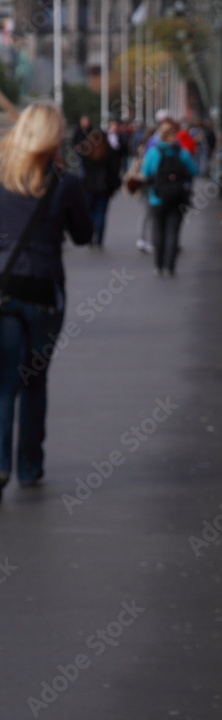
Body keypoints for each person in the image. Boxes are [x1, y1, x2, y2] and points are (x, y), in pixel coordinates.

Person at [0, 101, 92, 495]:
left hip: (2, 288)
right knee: (34, 381)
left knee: (3, 382)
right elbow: (84, 234)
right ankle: (29, 465)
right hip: (44, 292)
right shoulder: (64, 181)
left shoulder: (2, 175)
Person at [141, 119, 197, 277]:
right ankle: (170, 266)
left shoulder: (153, 152)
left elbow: (146, 172)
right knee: (173, 231)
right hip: (178, 197)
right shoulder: (182, 152)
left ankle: (158, 264)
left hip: (157, 197)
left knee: (158, 229)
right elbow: (193, 170)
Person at [79, 127, 122, 247]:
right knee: (101, 213)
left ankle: (90, 236)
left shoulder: (87, 152)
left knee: (90, 213)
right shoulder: (109, 152)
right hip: (104, 186)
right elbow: (114, 170)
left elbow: (83, 170)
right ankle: (99, 240)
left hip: (89, 186)